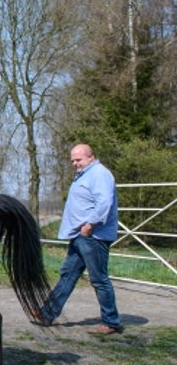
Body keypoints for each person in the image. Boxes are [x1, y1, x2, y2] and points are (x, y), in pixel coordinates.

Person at [36, 143, 122, 334]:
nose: (75, 163)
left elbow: (104, 202)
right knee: (69, 274)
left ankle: (111, 322)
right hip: (81, 235)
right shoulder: (85, 175)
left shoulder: (99, 174)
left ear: (91, 157)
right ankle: (47, 313)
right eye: (73, 160)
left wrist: (90, 224)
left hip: (94, 236)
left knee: (99, 279)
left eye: (79, 159)